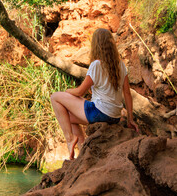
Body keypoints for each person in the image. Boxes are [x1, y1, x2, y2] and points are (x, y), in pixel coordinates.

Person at [50, 28, 139, 160]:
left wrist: (68, 91)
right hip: (114, 116)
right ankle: (81, 151)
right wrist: (130, 119)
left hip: (99, 112)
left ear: (96, 45)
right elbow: (127, 93)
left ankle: (69, 139)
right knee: (68, 117)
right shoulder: (121, 65)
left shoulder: (97, 65)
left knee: (55, 97)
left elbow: (80, 91)